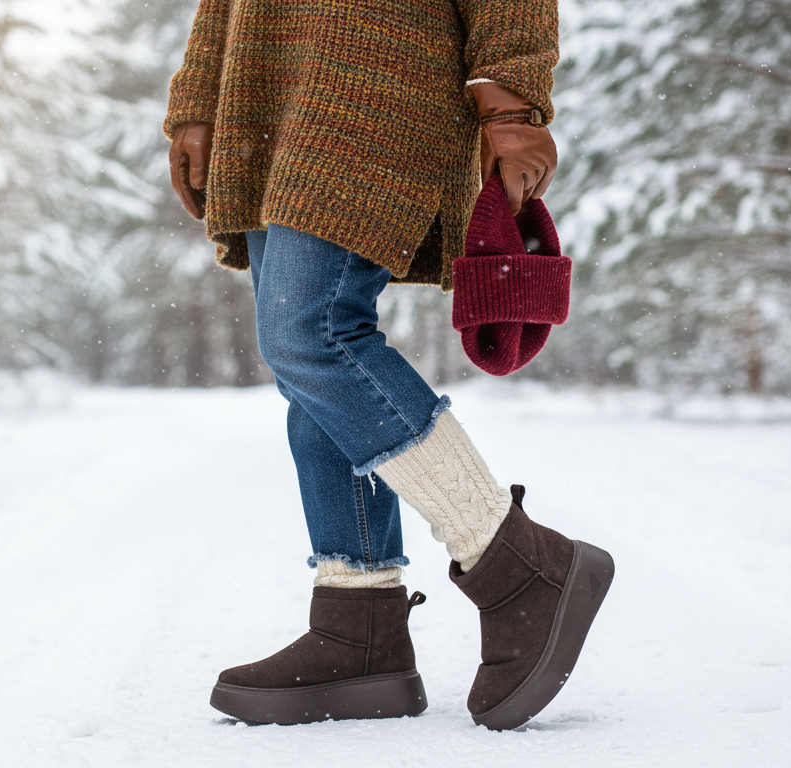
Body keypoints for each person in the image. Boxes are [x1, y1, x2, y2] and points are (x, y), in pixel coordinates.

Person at [164, 0, 613, 730]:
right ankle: (359, 624)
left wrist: (514, 103)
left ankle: (514, 559)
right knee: (306, 363)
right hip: (265, 78)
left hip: (382, 70)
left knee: (314, 333)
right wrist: (198, 98)